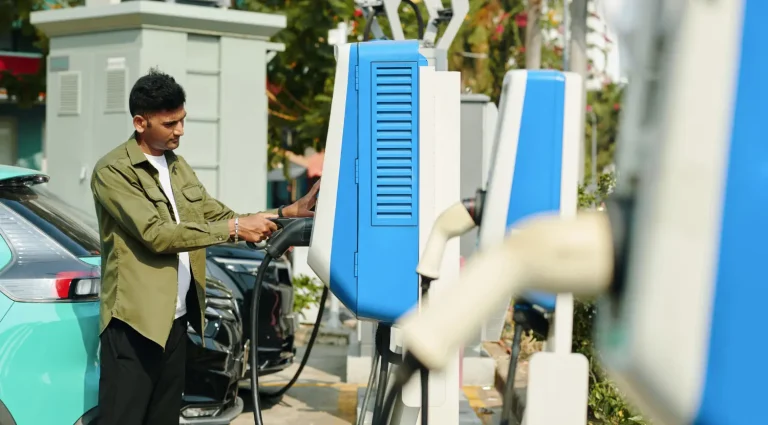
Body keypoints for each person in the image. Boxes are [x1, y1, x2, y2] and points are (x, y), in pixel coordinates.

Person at [90, 68, 320, 425]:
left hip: (177, 320)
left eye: (182, 120)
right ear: (140, 122)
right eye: (170, 124)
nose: (179, 131)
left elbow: (219, 215)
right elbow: (158, 234)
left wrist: (283, 213)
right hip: (134, 325)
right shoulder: (113, 171)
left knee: (164, 419)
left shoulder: (177, 167)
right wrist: (235, 228)